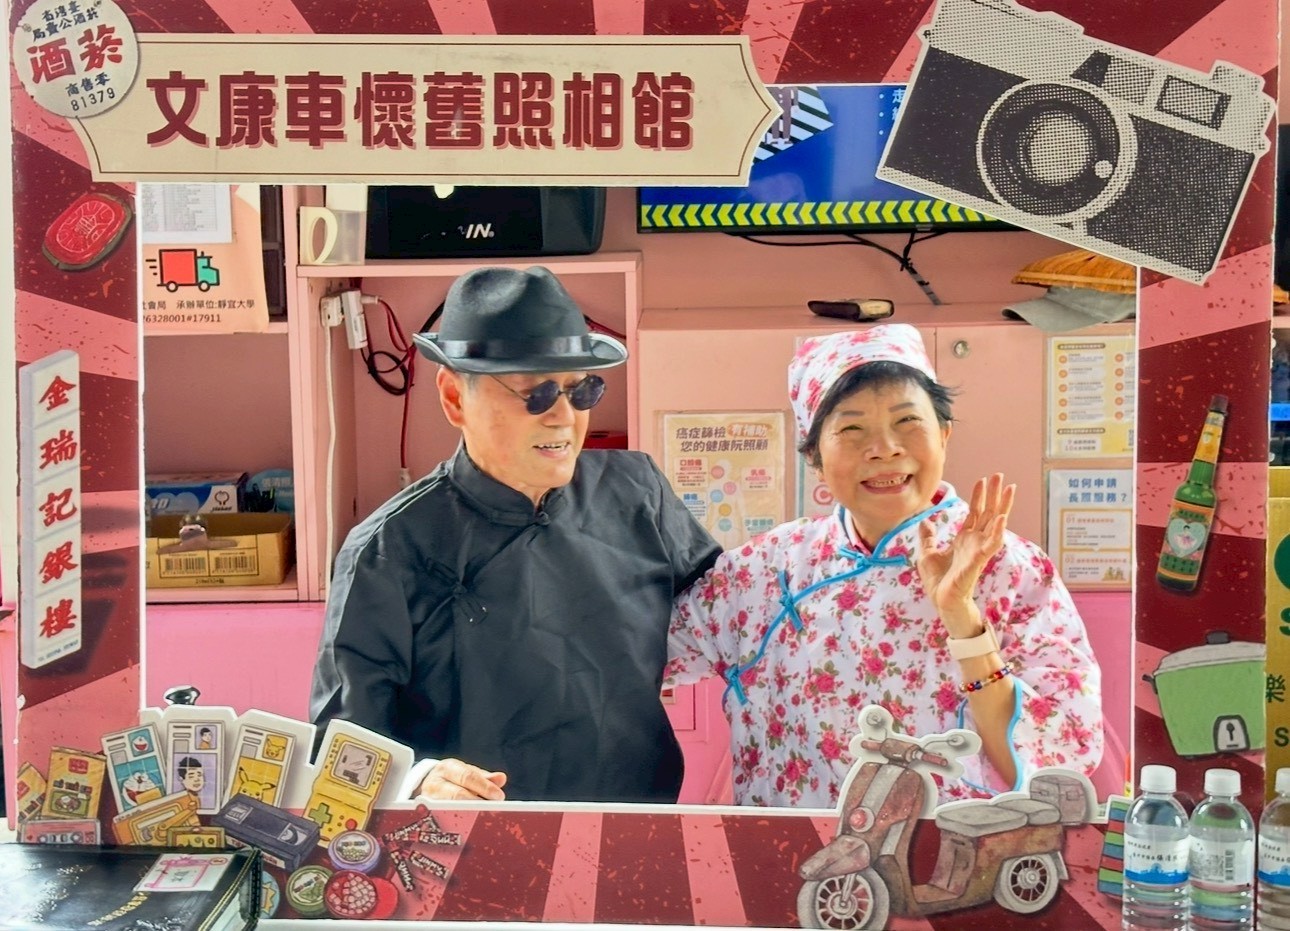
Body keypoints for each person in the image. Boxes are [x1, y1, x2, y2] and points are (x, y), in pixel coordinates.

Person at [310, 266, 721, 804]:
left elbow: (734, 614)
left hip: (636, 820)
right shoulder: (389, 548)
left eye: (581, 390)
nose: (563, 418)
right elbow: (340, 742)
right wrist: (417, 780)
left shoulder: (636, 490)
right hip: (473, 834)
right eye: (536, 394)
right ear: (454, 398)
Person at [667, 325, 1103, 807]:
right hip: (790, 849)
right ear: (814, 456)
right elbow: (637, 649)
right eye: (852, 429)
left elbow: (1054, 760)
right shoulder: (764, 571)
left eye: (907, 421)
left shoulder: (1010, 568)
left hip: (954, 850)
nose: (885, 448)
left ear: (944, 434)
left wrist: (961, 616)